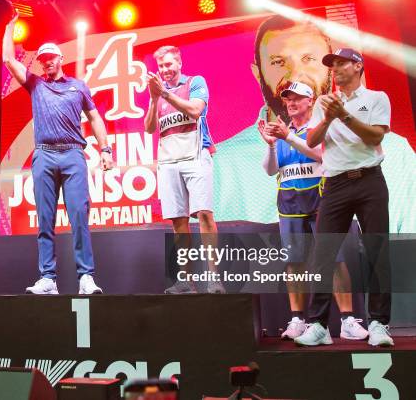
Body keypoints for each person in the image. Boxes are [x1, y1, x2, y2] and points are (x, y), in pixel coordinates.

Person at [213, 16, 416, 233]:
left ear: (331, 70)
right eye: (278, 62)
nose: (296, 75)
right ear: (257, 74)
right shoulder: (222, 164)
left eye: (309, 58)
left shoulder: (394, 152)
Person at [3, 12, 114, 294]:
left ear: (60, 58)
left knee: (79, 215)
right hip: (44, 155)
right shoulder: (36, 85)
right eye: (42, 59)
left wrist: (105, 148)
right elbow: (8, 60)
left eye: (51, 57)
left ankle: (86, 277)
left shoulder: (78, 86)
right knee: (45, 219)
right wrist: (9, 27)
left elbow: (95, 118)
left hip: (73, 155)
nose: (47, 61)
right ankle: (48, 278)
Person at [294, 48, 394, 347]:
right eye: (332, 65)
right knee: (323, 254)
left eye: (340, 63)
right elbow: (311, 139)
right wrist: (327, 116)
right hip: (335, 183)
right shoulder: (324, 102)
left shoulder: (377, 98)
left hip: (369, 181)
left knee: (377, 251)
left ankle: (378, 323)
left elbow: (375, 137)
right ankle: (319, 325)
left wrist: (344, 116)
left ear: (357, 66)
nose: (334, 69)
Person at [260, 81, 367, 341]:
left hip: (322, 203)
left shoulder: (319, 128)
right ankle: (297, 320)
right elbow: (270, 170)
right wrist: (272, 144)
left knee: (335, 260)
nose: (292, 102)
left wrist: (288, 137)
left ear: (311, 101)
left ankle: (347, 320)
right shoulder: (282, 132)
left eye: (298, 98)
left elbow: (321, 156)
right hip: (289, 206)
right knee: (293, 263)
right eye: (288, 99)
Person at [144, 45, 223, 294]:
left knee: (204, 215)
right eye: (161, 66)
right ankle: (185, 281)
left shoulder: (195, 82)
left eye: (169, 65)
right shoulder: (158, 94)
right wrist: (155, 98)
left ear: (179, 63)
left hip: (196, 155)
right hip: (169, 161)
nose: (165, 70)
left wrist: (165, 95)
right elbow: (149, 128)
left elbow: (195, 110)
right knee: (178, 221)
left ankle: (213, 278)